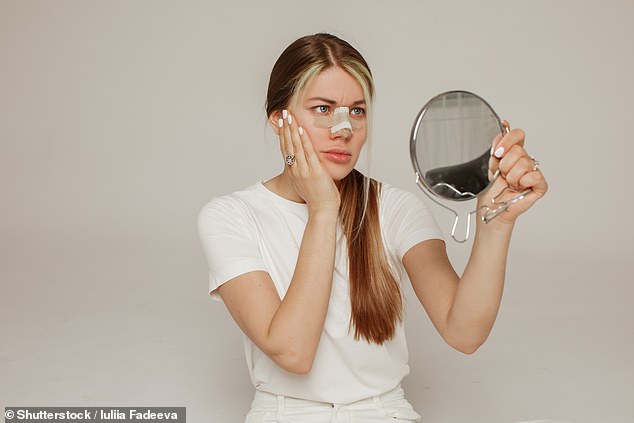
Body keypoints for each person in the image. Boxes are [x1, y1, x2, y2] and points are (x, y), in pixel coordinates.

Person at [198, 33, 547, 422]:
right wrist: (324, 208)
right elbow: (293, 352)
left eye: (357, 111)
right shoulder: (230, 216)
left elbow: (463, 332)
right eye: (323, 108)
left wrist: (496, 226)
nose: (344, 129)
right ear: (281, 120)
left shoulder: (395, 208)